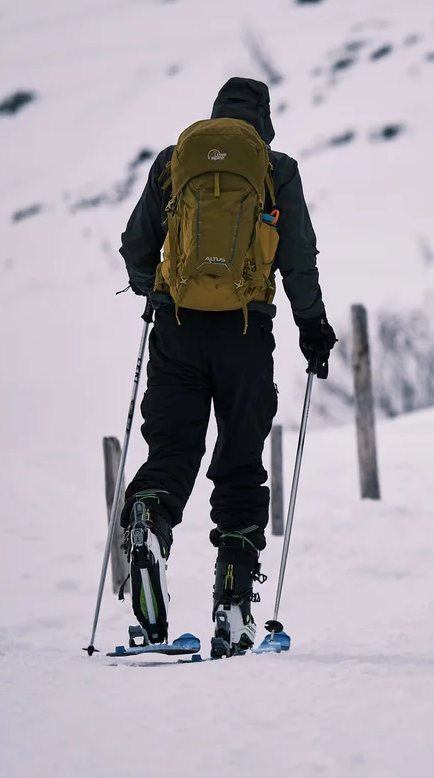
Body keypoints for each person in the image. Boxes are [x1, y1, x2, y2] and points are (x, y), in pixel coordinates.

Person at [117, 76, 336, 657]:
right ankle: (234, 606)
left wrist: (153, 293)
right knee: (240, 463)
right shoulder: (275, 168)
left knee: (171, 451)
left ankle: (149, 519)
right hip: (245, 334)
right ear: (264, 121)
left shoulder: (174, 161)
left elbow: (136, 244)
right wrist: (312, 327)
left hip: (177, 330)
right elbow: (298, 258)